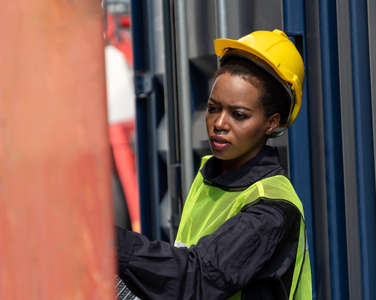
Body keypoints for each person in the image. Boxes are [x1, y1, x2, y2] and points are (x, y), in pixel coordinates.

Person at [116, 29, 312, 300]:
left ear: (272, 122)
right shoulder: (211, 176)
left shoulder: (272, 209)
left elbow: (199, 278)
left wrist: (112, 244)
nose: (219, 124)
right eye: (213, 108)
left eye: (239, 115)